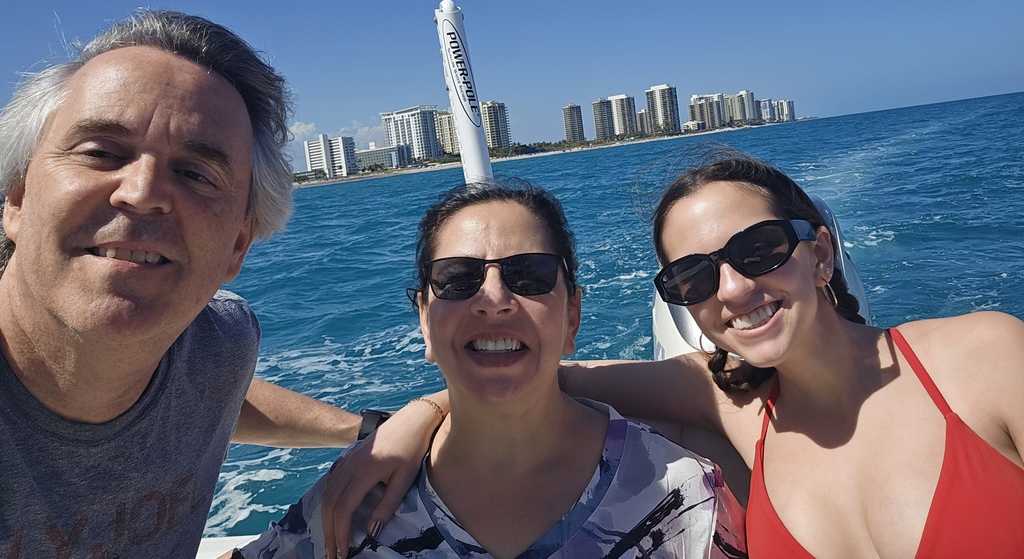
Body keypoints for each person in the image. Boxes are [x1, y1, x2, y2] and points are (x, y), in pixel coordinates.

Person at [324, 151, 1024, 559]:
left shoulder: (982, 357)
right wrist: (417, 416)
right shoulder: (732, 404)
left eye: (760, 250)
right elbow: (531, 372)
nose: (734, 288)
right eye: (694, 277)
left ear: (820, 254)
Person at [0, 11, 372, 558]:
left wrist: (367, 432)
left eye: (196, 174)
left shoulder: (219, 340)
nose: (142, 192)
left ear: (238, 245)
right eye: (100, 152)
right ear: (16, 199)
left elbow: (209, 393)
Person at [233, 180, 747, 559]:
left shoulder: (682, 500)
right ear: (424, 319)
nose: (494, 298)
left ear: (572, 316)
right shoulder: (353, 498)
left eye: (530, 274)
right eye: (458, 278)